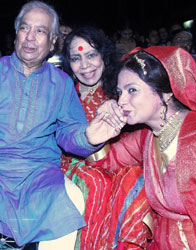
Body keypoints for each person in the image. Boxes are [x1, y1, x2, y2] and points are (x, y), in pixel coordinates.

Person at [0, 1, 109, 250]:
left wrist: (89, 136)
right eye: (25, 28)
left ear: (51, 43)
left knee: (69, 199)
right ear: (15, 35)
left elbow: (68, 131)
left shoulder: (61, 83)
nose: (30, 37)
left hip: (38, 173)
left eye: (40, 31)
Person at [86, 45, 196, 249]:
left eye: (132, 90)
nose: (121, 101)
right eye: (119, 92)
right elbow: (104, 163)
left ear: (166, 93)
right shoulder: (147, 138)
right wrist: (97, 135)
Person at [61, 25, 151, 250]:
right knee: (97, 182)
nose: (85, 65)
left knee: (135, 177)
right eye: (76, 58)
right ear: (69, 63)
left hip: (115, 161)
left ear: (103, 55)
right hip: (73, 162)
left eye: (91, 55)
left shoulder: (121, 89)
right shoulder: (63, 92)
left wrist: (118, 104)